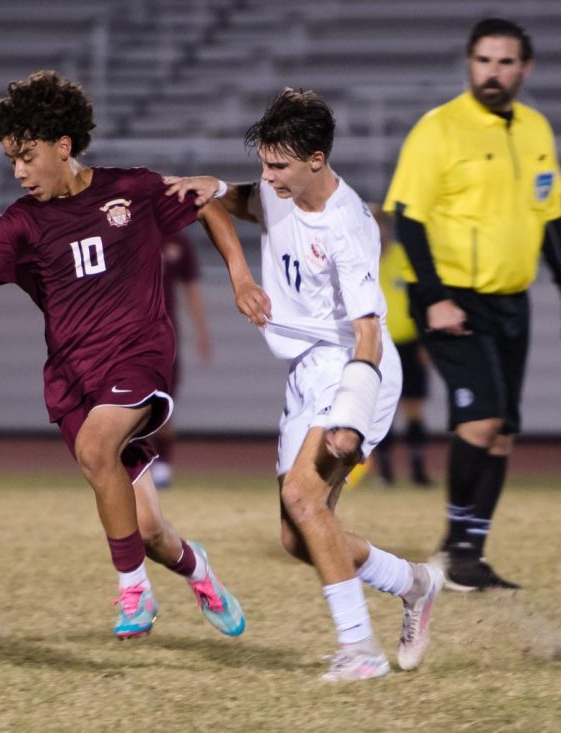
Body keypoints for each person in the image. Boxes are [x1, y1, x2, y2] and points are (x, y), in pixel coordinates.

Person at [0, 71, 271, 640]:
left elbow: (206, 201)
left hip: (139, 357)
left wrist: (240, 276)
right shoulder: (20, 223)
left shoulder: (133, 190)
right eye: (11, 160)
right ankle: (199, 571)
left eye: (26, 156)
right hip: (74, 383)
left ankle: (133, 595)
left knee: (97, 447)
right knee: (146, 528)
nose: (18, 170)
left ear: (62, 147)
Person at [165, 88, 444, 682]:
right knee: (300, 537)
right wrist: (229, 239)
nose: (267, 177)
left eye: (278, 167)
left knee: (301, 496)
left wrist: (351, 414)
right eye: (265, 163)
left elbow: (369, 332)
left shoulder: (348, 228)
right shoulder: (278, 186)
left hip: (353, 367)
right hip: (306, 370)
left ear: (317, 159)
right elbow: (232, 200)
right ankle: (414, 583)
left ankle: (360, 651)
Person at [383, 18, 561, 592]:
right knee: (482, 419)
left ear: (525, 68)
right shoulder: (439, 129)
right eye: (483, 61)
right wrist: (436, 297)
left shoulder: (536, 129)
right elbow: (409, 218)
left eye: (504, 62)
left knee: (502, 433)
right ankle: (455, 551)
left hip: (512, 301)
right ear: (469, 63)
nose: (492, 72)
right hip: (454, 300)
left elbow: (551, 216)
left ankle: (468, 553)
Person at [148, 229, 213, 489]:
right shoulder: (126, 229)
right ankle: (136, 464)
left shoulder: (178, 241)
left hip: (165, 338)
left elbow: (191, 288)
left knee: (163, 403)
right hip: (127, 335)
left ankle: (162, 464)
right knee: (128, 403)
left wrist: (202, 332)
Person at [368, 236, 433, 487]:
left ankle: (418, 471)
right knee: (382, 408)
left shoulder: (402, 256)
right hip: (377, 344)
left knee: (413, 407)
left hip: (409, 343)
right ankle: (385, 473)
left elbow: (420, 297)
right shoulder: (363, 254)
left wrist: (425, 341)